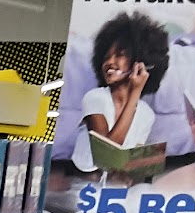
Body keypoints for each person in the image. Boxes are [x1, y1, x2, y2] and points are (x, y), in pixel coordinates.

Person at [72, 12, 169, 173]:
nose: (110, 62)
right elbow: (107, 154)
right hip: (84, 177)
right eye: (106, 57)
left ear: (140, 62)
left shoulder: (146, 114)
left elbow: (130, 163)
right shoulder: (95, 98)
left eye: (120, 55)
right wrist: (135, 92)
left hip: (116, 181)